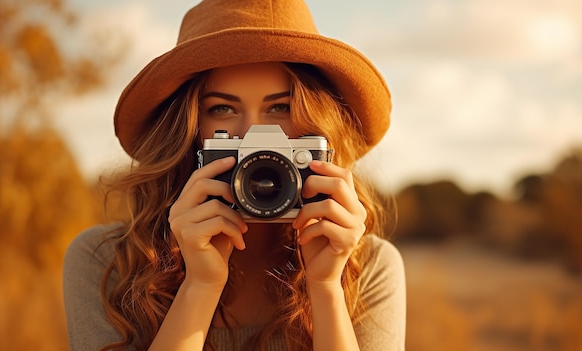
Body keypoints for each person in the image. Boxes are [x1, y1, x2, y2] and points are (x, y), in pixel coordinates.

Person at [63, 0, 406, 350]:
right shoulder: (106, 264)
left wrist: (327, 289)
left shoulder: (369, 269)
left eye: (281, 107)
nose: (254, 135)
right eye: (222, 109)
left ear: (317, 133)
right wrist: (199, 287)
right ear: (189, 130)